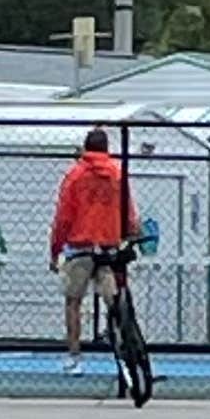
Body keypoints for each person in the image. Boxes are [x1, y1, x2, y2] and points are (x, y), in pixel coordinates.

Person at [48, 129, 136, 371]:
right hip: (108, 246)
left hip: (80, 248)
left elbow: (63, 217)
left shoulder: (75, 176)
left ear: (85, 148)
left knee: (73, 301)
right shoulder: (117, 174)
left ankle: (75, 357)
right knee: (114, 300)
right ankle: (125, 349)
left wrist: (55, 250)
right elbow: (128, 210)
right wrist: (129, 233)